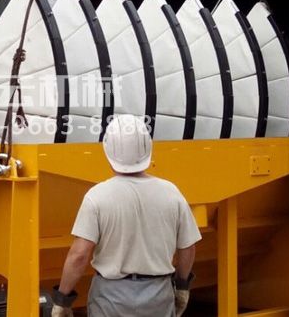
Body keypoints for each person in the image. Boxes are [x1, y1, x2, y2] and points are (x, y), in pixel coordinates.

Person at [52, 114, 201, 317]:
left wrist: (62, 300)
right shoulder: (172, 193)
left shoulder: (97, 196)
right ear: (148, 149)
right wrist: (182, 286)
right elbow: (188, 247)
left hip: (110, 299)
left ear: (108, 151)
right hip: (159, 295)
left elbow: (79, 255)